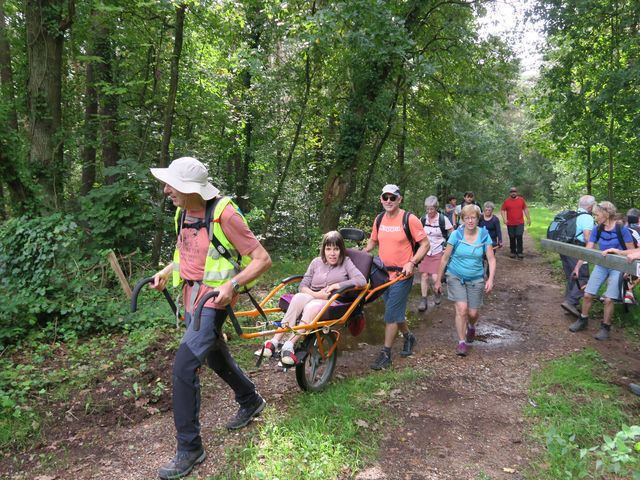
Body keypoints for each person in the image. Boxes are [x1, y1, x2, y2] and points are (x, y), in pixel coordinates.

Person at [150, 157, 272, 480]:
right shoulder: (182, 211)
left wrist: (232, 285)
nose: (165, 190)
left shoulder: (224, 214)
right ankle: (250, 399)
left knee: (184, 366)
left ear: (191, 189)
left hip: (213, 302)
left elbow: (262, 259)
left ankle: (190, 448)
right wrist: (167, 270)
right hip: (191, 299)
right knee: (216, 357)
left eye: (171, 185)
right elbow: (186, 253)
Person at [254, 231, 366, 365]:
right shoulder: (316, 262)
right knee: (298, 297)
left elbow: (361, 280)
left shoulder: (346, 262)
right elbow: (303, 286)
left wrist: (337, 285)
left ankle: (289, 345)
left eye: (336, 249)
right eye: (328, 249)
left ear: (341, 250)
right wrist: (316, 294)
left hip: (331, 300)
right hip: (313, 295)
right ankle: (274, 341)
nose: (332, 253)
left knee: (311, 306)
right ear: (323, 249)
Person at [365, 184, 429, 369]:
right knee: (396, 312)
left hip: (402, 275)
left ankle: (386, 354)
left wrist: (412, 262)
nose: (388, 201)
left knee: (391, 314)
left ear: (399, 199)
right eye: (385, 197)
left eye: (392, 198)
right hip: (383, 275)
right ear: (381, 199)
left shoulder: (409, 219)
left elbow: (425, 244)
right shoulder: (379, 219)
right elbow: (373, 240)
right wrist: (364, 251)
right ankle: (409, 337)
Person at [434, 205, 496, 356]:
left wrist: (490, 279)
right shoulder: (456, 234)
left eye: (473, 217)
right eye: (467, 218)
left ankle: (471, 326)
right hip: (455, 276)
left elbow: (491, 259)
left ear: (477, 218)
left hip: (476, 278)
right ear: (462, 219)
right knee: (462, 309)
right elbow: (445, 258)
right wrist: (437, 280)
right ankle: (461, 342)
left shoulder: (483, 235)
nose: (470, 221)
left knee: (473, 313)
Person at [569, 201, 635, 340]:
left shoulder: (621, 228)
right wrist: (577, 266)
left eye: (597, 214)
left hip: (618, 267)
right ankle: (583, 320)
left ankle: (605, 327)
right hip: (601, 265)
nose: (595, 217)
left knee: (609, 299)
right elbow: (588, 250)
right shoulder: (597, 229)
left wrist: (622, 260)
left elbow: (632, 251)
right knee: (587, 295)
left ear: (606, 213)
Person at [559, 195, 596, 318]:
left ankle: (569, 303)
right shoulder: (587, 218)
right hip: (578, 250)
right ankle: (570, 302)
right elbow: (587, 237)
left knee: (572, 275)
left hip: (565, 248)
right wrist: (593, 248)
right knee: (583, 277)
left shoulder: (572, 215)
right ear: (590, 207)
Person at [418, 195, 453, 312]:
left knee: (434, 277)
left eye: (431, 209)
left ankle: (437, 292)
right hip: (426, 251)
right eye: (427, 209)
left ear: (436, 208)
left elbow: (452, 233)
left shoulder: (443, 219)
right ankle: (423, 299)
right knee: (423, 275)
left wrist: (447, 246)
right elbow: (417, 233)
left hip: (438, 250)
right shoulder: (423, 219)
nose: (429, 211)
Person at [500, 186, 531, 259]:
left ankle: (520, 252)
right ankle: (513, 251)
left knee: (519, 235)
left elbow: (525, 209)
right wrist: (504, 219)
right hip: (510, 223)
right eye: (511, 192)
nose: (513, 193)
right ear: (510, 193)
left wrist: (528, 218)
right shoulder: (507, 201)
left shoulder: (521, 200)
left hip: (520, 222)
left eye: (514, 191)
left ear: (516, 192)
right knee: (512, 237)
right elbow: (502, 210)